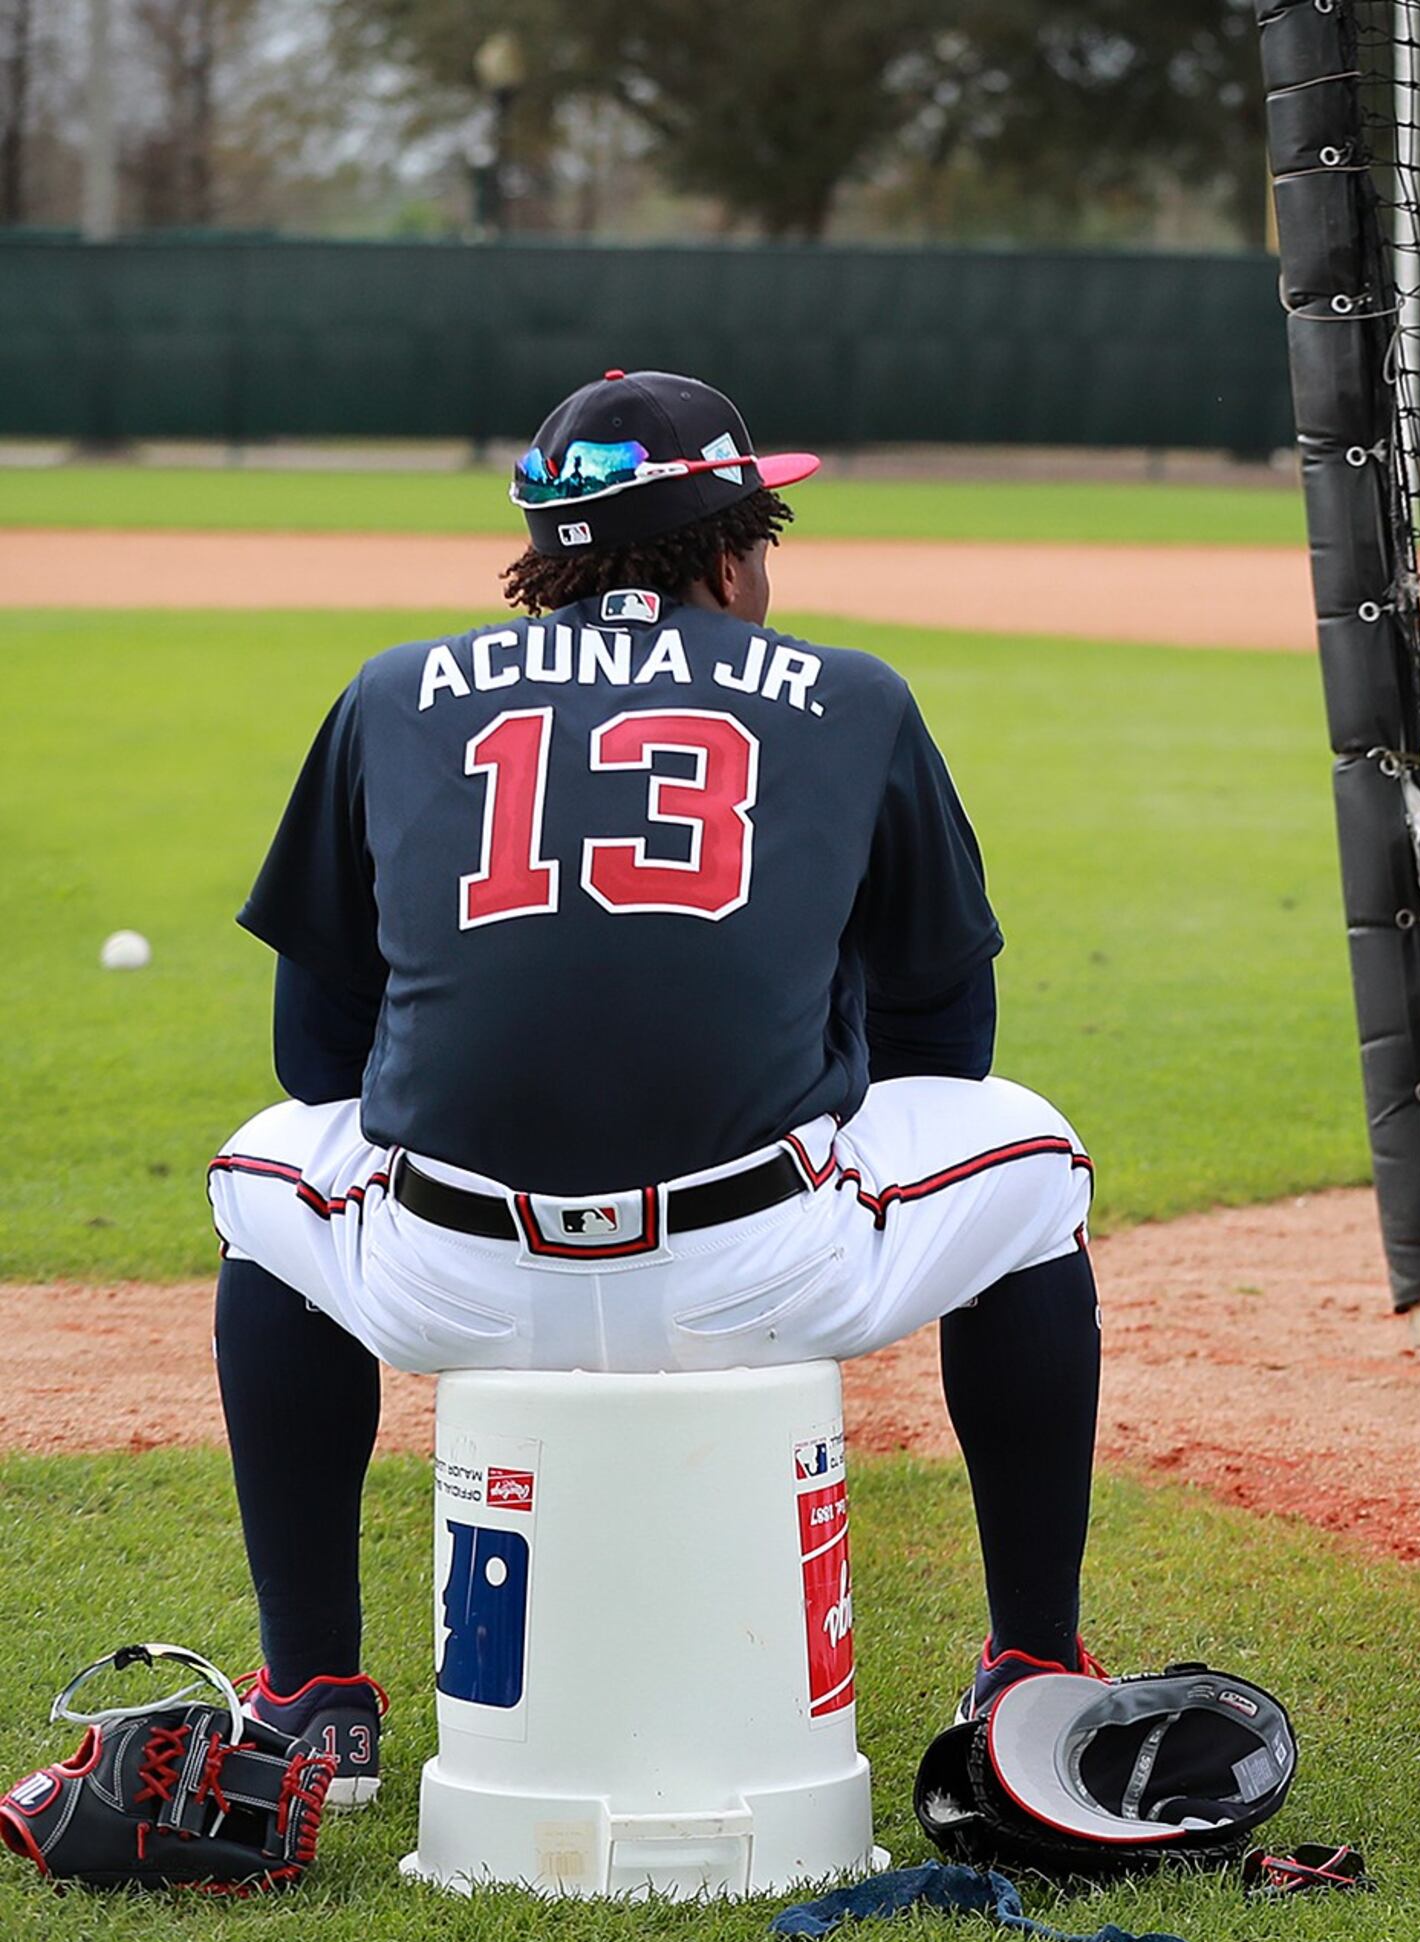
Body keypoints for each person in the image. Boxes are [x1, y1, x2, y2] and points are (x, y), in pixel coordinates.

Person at [209, 369, 1108, 1807]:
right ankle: (1033, 1665)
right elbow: (953, 1041)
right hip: (758, 1270)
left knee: (270, 1178)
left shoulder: (391, 692)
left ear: (546, 548)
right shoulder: (854, 694)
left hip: (449, 1282)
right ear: (731, 548)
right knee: (1034, 1158)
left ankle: (312, 1695)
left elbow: (314, 1059)